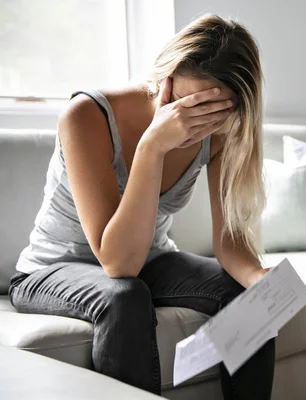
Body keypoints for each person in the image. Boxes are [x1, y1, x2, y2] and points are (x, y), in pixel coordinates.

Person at [8, 14, 274, 399]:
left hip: (149, 259)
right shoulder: (87, 115)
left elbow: (229, 241)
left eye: (210, 113)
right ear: (163, 81)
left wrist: (258, 279)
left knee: (250, 297)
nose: (193, 125)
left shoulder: (220, 132)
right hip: (51, 270)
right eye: (185, 105)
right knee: (125, 295)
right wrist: (154, 145)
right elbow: (118, 266)